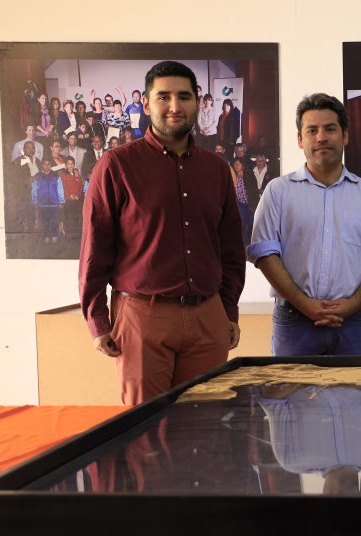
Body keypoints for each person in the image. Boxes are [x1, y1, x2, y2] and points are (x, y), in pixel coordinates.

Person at [79, 60, 246, 406]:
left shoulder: (216, 170)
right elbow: (95, 248)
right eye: (163, 97)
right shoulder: (116, 166)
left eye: (184, 97)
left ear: (197, 102)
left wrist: (228, 310)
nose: (174, 106)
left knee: (206, 423)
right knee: (146, 428)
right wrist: (97, 319)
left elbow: (230, 247)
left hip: (208, 316)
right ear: (146, 104)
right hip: (142, 317)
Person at [250, 93, 361, 356]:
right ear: (300, 139)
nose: (321, 137)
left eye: (330, 129)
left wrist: (354, 303)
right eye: (312, 130)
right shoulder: (278, 191)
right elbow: (264, 253)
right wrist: (304, 304)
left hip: (351, 322)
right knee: (290, 385)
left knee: (354, 385)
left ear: (345, 135)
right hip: (294, 321)